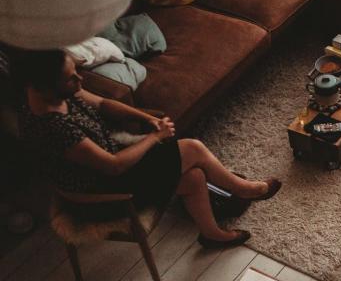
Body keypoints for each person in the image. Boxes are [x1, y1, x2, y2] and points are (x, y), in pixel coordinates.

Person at [17, 49, 281, 248]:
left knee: (195, 176)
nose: (79, 80)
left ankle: (211, 234)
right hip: (102, 194)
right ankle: (244, 189)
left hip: (112, 169)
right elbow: (113, 165)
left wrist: (146, 119)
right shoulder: (52, 128)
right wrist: (155, 137)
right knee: (192, 149)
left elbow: (104, 104)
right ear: (43, 88)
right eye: (70, 78)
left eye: (76, 72)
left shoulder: (59, 93)